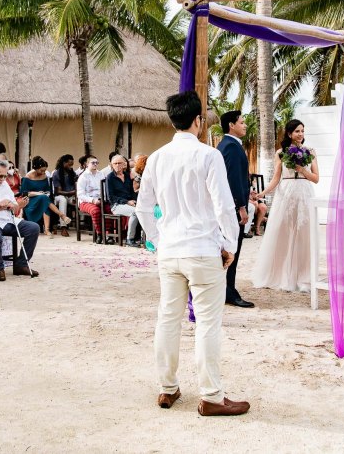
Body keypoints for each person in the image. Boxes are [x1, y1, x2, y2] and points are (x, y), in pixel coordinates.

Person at [135, 91, 248, 417]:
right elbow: (224, 206)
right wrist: (230, 245)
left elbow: (143, 208)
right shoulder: (208, 155)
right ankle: (211, 396)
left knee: (168, 319)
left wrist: (159, 241)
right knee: (208, 324)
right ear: (198, 120)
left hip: (170, 251)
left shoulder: (157, 157)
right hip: (201, 249)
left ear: (173, 121)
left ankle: (167, 387)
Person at [252, 119, 318, 292]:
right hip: (286, 193)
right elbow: (276, 178)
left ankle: (303, 276)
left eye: (302, 131)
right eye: (297, 131)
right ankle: (282, 274)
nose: (300, 134)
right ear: (289, 133)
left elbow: (316, 178)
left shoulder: (310, 151)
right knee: (283, 231)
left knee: (303, 234)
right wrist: (263, 193)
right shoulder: (281, 153)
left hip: (304, 193)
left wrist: (302, 170)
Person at [217, 110, 254, 309]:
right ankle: (228, 291)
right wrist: (241, 206)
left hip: (229, 204)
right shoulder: (231, 146)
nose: (245, 125)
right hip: (232, 208)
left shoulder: (226, 145)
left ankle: (224, 289)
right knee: (232, 249)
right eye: (242, 122)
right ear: (231, 125)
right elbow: (232, 179)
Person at [22, 156, 71, 237]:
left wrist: (44, 194)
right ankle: (61, 217)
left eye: (44, 171)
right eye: (41, 170)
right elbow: (24, 193)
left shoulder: (44, 176)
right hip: (31, 199)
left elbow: (47, 190)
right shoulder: (28, 177)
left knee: (44, 200)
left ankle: (48, 229)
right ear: (36, 168)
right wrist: (38, 193)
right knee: (44, 199)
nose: (43, 173)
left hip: (43, 198)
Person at [107, 155, 140, 246]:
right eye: (115, 163)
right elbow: (111, 197)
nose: (117, 165)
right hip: (116, 205)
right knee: (135, 212)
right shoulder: (110, 177)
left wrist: (134, 201)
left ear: (124, 164)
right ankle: (130, 239)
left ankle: (140, 237)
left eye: (119, 163)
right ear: (112, 165)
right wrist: (127, 202)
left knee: (143, 210)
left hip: (129, 203)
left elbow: (132, 191)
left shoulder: (127, 176)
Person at [77, 156, 105, 242]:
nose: (95, 164)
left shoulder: (101, 174)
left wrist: (103, 198)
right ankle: (99, 234)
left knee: (110, 209)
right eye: (93, 163)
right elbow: (80, 195)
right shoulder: (83, 176)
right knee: (95, 211)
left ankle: (108, 234)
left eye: (97, 163)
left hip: (100, 199)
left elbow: (104, 188)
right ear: (87, 164)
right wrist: (92, 200)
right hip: (86, 201)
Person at [50, 154, 78, 237]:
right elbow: (58, 191)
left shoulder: (72, 173)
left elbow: (76, 186)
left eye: (72, 165)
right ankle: (63, 227)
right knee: (63, 200)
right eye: (69, 164)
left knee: (80, 200)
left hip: (71, 195)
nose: (71, 166)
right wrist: (72, 193)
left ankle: (89, 225)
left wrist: (75, 194)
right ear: (64, 163)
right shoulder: (56, 173)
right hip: (59, 196)